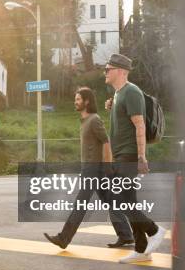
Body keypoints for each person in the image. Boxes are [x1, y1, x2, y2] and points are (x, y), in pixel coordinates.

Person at [43, 87, 134, 249]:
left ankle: (64, 238)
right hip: (91, 169)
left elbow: (106, 142)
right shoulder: (84, 121)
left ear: (87, 101)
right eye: (75, 99)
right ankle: (126, 235)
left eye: (78, 99)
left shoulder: (94, 120)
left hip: (94, 170)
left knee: (80, 204)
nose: (75, 102)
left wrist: (108, 167)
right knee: (111, 202)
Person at [104, 53, 167, 264]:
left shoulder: (131, 92)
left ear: (121, 71)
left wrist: (141, 157)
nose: (105, 72)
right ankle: (141, 249)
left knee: (125, 201)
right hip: (120, 155)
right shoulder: (120, 94)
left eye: (108, 69)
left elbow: (140, 125)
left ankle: (154, 230)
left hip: (129, 155)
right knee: (127, 201)